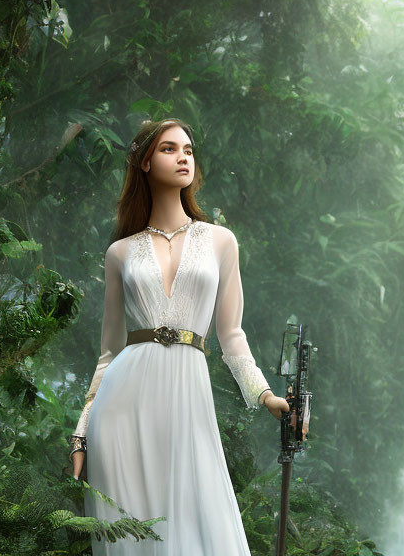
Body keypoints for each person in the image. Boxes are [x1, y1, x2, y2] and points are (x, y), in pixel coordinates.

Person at [68, 118, 290, 554]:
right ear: (146, 162)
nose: (183, 156)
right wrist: (81, 431)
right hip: (121, 409)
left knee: (197, 523)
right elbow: (109, 353)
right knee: (133, 537)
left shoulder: (221, 242)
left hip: (187, 397)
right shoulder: (120, 253)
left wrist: (266, 396)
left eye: (188, 150)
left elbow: (231, 335)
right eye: (169, 149)